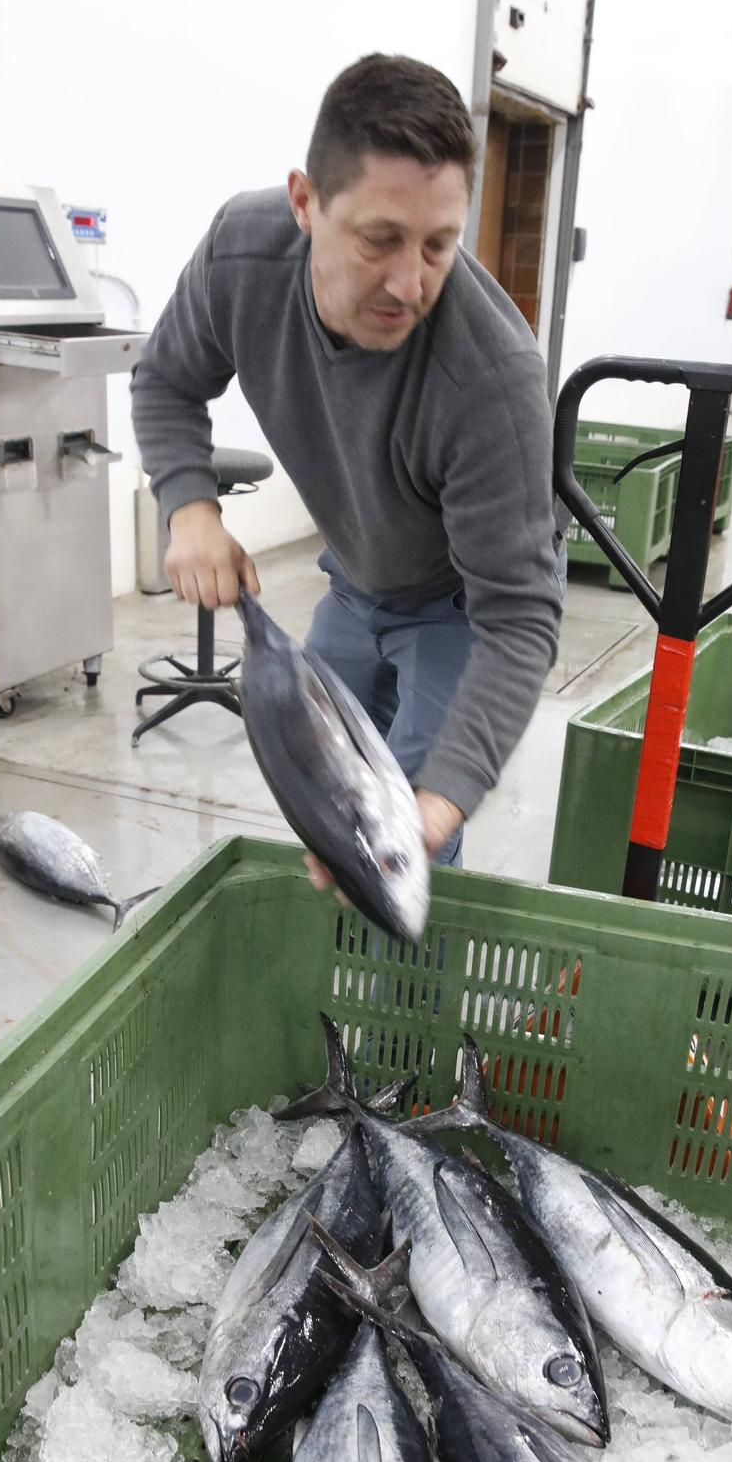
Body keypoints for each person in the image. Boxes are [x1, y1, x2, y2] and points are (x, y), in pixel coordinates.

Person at [131, 52, 564, 873]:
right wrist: (190, 507)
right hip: (356, 579)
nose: (411, 282)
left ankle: (403, 994)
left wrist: (436, 806)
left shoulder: (490, 378)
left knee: (405, 844)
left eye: (439, 245)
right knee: (317, 794)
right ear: (305, 202)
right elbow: (165, 381)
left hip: (461, 604)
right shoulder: (241, 257)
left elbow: (518, 620)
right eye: (380, 239)